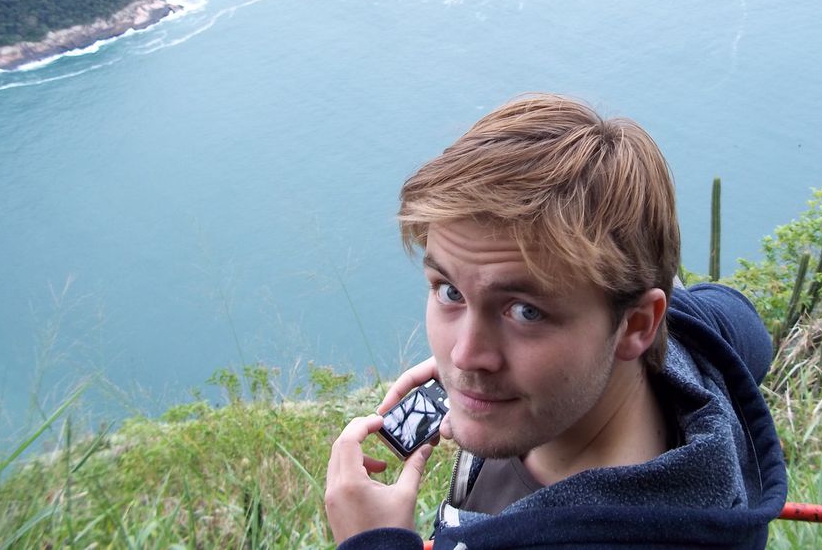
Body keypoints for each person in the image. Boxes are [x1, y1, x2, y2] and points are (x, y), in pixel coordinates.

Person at [324, 94, 787, 549]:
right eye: (450, 292)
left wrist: (373, 542)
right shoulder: (693, 349)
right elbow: (743, 322)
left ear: (637, 325)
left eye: (527, 311)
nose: (464, 355)